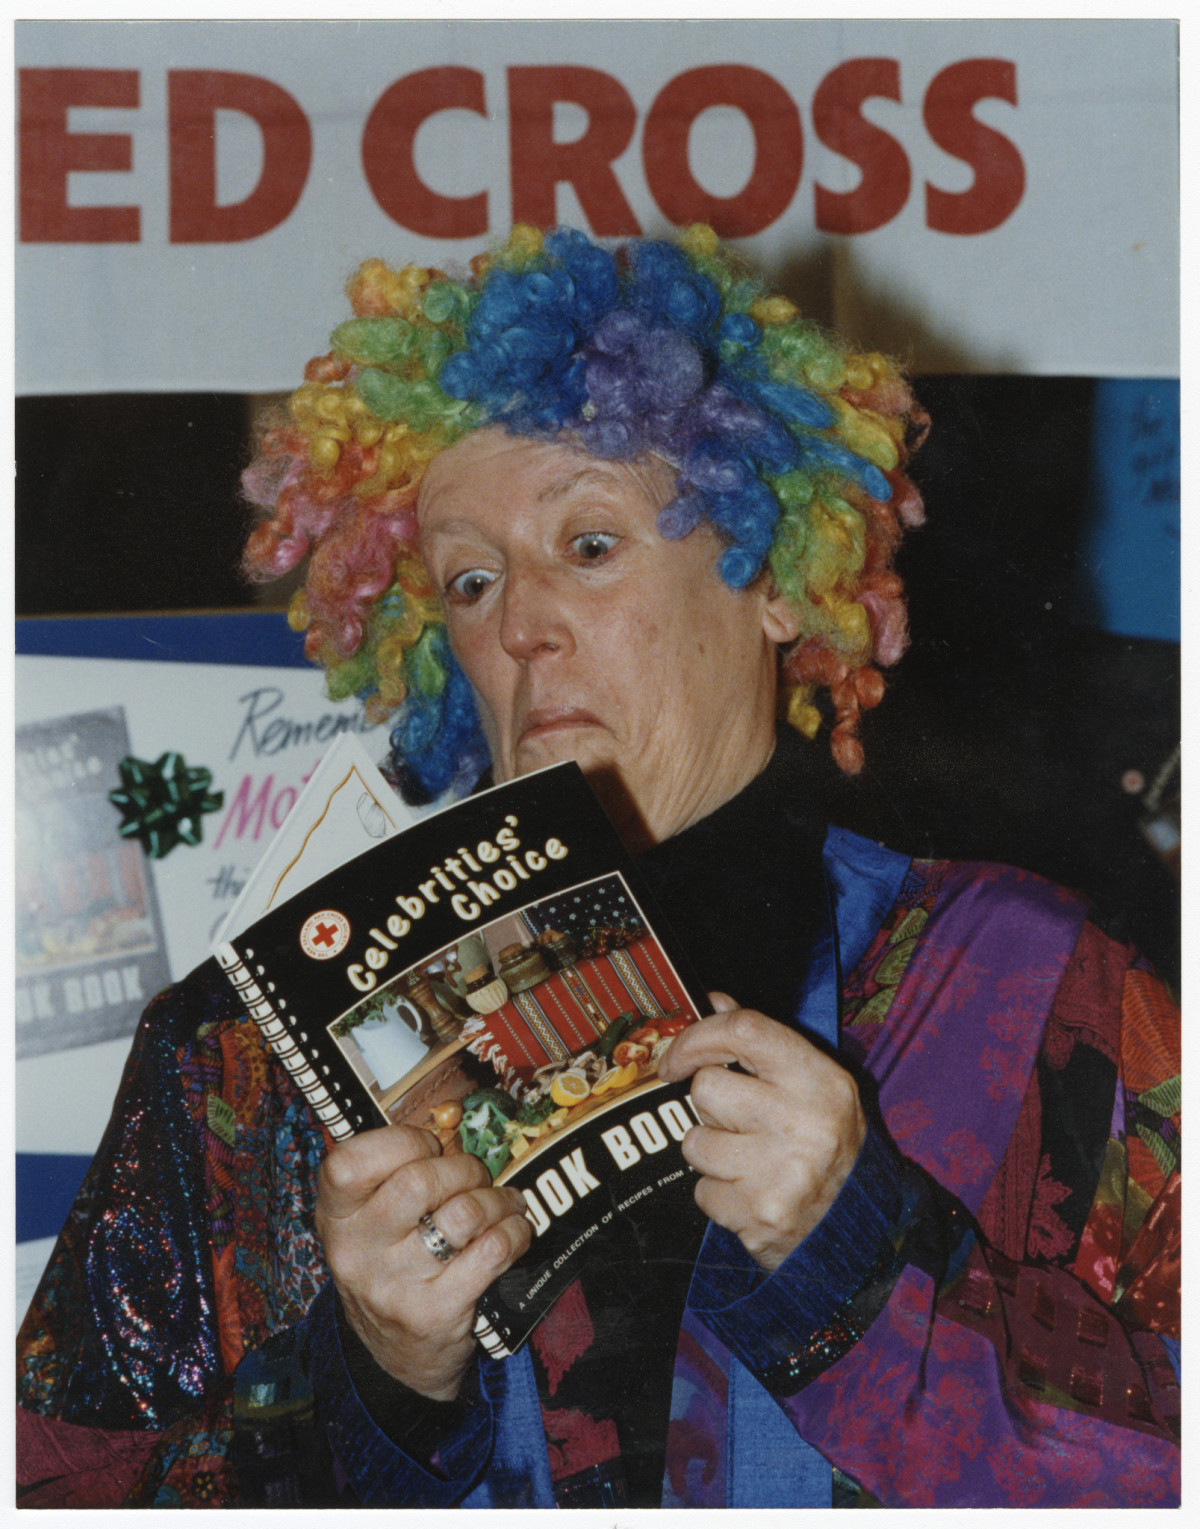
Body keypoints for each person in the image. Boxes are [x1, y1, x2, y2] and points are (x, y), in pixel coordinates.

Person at [17, 226, 1179, 1508]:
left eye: (588, 545)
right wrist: (380, 1391)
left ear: (774, 575)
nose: (520, 622)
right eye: (468, 578)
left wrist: (860, 1276)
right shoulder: (252, 1059)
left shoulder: (1030, 984)